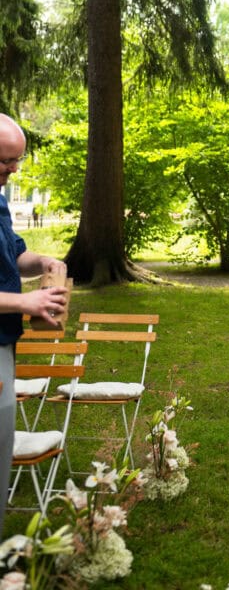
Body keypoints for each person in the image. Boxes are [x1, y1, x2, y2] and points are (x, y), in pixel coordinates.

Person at [0, 114, 68, 535]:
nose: (13, 170)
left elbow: (15, 258)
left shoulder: (0, 199)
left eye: (17, 161)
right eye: (6, 161)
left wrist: (40, 262)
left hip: (5, 345)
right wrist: (26, 301)